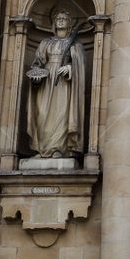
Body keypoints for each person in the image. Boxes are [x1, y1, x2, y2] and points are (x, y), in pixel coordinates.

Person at [25, 9, 87, 158]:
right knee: (42, 114)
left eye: (64, 18)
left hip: (64, 84)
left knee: (61, 113)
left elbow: (81, 64)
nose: (60, 20)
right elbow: (37, 62)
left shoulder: (75, 44)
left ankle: (59, 149)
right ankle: (42, 148)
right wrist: (37, 75)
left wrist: (70, 67)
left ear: (69, 24)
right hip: (46, 82)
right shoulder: (45, 43)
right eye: (58, 18)